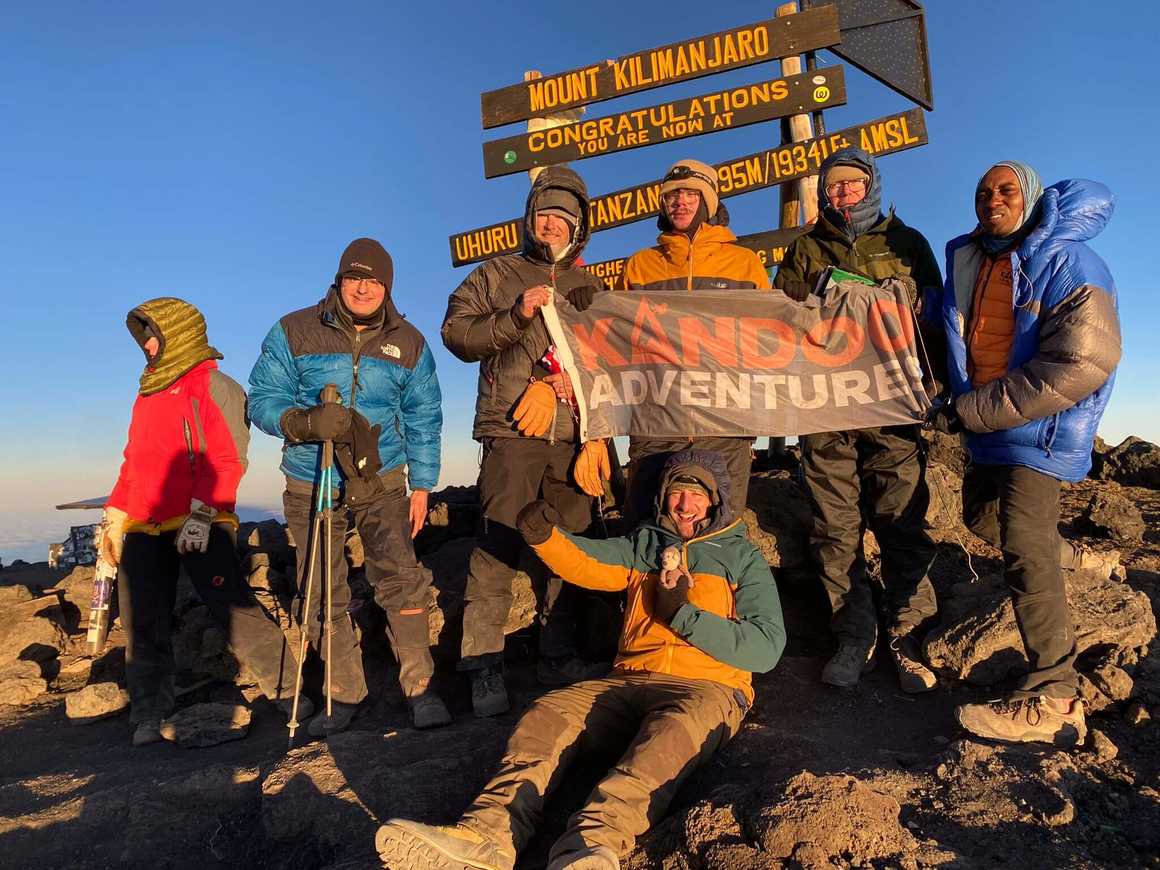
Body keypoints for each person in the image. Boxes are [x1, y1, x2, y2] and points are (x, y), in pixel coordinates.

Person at [375, 448, 785, 870]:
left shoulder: (741, 557)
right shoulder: (646, 544)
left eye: (696, 495)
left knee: (667, 740)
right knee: (549, 712)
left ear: (714, 500)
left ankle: (589, 849)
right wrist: (545, 538)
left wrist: (683, 614)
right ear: (663, 497)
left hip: (708, 687)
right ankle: (487, 836)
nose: (684, 504)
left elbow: (766, 646)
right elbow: (592, 563)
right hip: (627, 679)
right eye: (677, 493)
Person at [930, 162, 1121, 745]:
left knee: (1023, 542)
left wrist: (967, 412)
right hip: (988, 425)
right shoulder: (972, 260)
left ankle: (1056, 697)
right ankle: (1081, 561)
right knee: (983, 521)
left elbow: (1081, 364)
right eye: (984, 191)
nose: (993, 199)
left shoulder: (1069, 261)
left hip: (1040, 427)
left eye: (1006, 190)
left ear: (1031, 199)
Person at [248, 238, 449, 735]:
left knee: (401, 576)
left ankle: (421, 689)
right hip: (311, 476)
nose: (363, 288)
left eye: (374, 280)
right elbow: (263, 398)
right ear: (338, 281)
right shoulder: (295, 330)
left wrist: (422, 485)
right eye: (354, 278)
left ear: (388, 287)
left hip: (381, 479)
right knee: (320, 586)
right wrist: (301, 421)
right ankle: (342, 695)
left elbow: (424, 416)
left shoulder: (410, 342)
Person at [772, 146, 947, 693]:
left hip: (892, 407)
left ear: (870, 185)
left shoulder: (907, 244)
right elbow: (780, 325)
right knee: (835, 525)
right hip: (826, 408)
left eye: (851, 185)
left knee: (901, 517)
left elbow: (936, 321)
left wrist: (935, 387)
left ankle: (907, 634)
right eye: (833, 186)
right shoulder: (803, 249)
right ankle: (853, 634)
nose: (841, 194)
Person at [100, 297, 304, 747]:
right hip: (143, 525)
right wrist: (116, 513)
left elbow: (228, 457)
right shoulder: (148, 391)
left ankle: (292, 692)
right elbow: (134, 461)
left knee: (233, 608)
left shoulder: (216, 386)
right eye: (143, 336)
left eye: (153, 333)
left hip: (198, 518)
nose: (147, 345)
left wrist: (205, 513)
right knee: (142, 622)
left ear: (180, 332)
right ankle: (149, 711)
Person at [441, 166, 607, 717]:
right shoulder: (496, 274)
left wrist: (571, 390)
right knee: (497, 547)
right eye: (544, 214)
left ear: (578, 227)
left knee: (569, 547)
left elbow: (609, 361)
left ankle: (557, 657)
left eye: (563, 218)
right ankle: (483, 668)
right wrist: (516, 315)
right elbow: (457, 336)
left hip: (573, 437)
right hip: (511, 432)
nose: (552, 224)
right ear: (529, 219)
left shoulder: (591, 287)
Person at [615, 158, 771, 527]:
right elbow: (617, 341)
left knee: (721, 532)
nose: (679, 203)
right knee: (646, 527)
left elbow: (769, 340)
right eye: (671, 196)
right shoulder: (640, 265)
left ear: (709, 202)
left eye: (689, 194)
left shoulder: (744, 264)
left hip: (724, 421)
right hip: (656, 422)